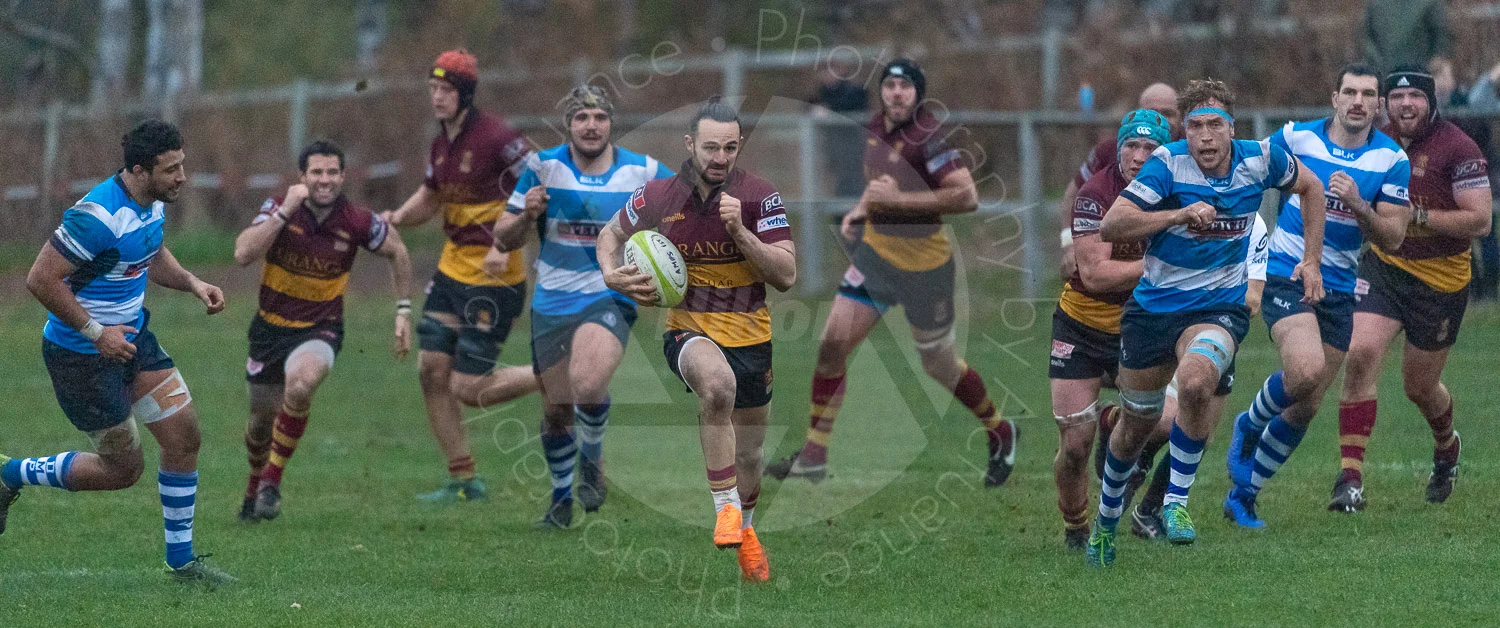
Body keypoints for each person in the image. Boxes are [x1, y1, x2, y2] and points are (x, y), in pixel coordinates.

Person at [1086, 79, 1327, 567]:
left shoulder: (1261, 158)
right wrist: (1174, 217)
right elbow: (1112, 224)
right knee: (1135, 427)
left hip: (1218, 307)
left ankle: (1175, 502)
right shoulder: (1166, 164)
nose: (1205, 137)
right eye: (1195, 126)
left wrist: (1313, 260)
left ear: (1231, 128)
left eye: (1215, 124)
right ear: (1185, 131)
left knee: (1197, 382)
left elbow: (1312, 186)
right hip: (1153, 310)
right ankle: (1106, 522)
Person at [0, 120, 236, 585]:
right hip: (80, 357)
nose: (182, 177)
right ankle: (10, 472)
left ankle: (182, 563)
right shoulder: (97, 218)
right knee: (122, 470)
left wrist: (192, 282)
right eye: (172, 169)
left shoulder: (149, 203)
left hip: (132, 339)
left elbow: (149, 251)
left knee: (184, 436)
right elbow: (39, 279)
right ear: (137, 169)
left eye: (182, 165)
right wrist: (95, 332)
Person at [765, 59, 1015, 486]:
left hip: (926, 268)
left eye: (905, 86)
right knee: (831, 345)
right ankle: (813, 455)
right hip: (876, 257)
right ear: (880, 92)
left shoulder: (930, 137)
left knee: (938, 364)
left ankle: (1000, 429)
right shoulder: (876, 126)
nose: (896, 93)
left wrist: (899, 200)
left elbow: (966, 197)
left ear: (918, 93)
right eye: (890, 85)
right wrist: (862, 210)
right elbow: (880, 183)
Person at [597, 100, 795, 583]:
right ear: (690, 145)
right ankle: (724, 508)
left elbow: (787, 274)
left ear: (738, 146)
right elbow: (609, 234)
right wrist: (611, 275)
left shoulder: (759, 196)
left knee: (750, 455)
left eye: (729, 147)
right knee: (717, 387)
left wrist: (741, 233)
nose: (719, 156)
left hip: (752, 334)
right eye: (710, 146)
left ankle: (746, 531)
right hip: (690, 330)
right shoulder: (659, 196)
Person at [1220, 63, 1412, 528]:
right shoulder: (1297, 139)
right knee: (1303, 372)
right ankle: (1248, 423)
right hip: (1288, 270)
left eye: (1368, 94)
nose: (1358, 102)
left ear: (1378, 104)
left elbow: (1394, 238)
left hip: (1341, 287)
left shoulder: (1391, 160)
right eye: (1350, 92)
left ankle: (1243, 496)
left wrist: (1360, 205)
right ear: (1334, 98)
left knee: (1306, 404)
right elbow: (1246, 173)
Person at [488, 86, 672, 528]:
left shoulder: (644, 171)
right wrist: (526, 215)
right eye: (582, 118)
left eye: (600, 117)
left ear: (611, 123)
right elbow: (502, 237)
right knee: (556, 408)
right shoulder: (543, 167)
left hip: (610, 295)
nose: (591, 125)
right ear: (568, 125)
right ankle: (559, 501)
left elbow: (682, 214)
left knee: (587, 385)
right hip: (552, 298)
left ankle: (591, 458)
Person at [1332, 66, 1492, 511]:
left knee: (1419, 387)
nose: (1406, 105)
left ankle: (1446, 447)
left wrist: (1412, 216)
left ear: (1431, 101)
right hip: (1386, 267)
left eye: (1415, 98)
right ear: (1386, 103)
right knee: (1360, 352)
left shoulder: (1458, 148)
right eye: (1397, 97)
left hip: (1441, 280)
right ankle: (1350, 479)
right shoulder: (1374, 140)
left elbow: (1480, 220)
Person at [384, 49, 540, 503]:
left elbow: (535, 186)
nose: (437, 98)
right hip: (452, 271)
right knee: (432, 371)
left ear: (466, 94)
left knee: (468, 388)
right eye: (432, 89)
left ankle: (552, 373)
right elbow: (431, 196)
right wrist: (396, 217)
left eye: (446, 90)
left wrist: (501, 245)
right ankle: (463, 478)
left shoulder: (497, 138)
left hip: (495, 275)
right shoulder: (441, 141)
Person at [233, 140, 414, 522]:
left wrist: (403, 311)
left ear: (343, 176)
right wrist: (284, 212)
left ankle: (272, 482)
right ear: (302, 177)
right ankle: (254, 486)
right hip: (268, 330)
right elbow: (243, 254)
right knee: (259, 426)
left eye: (333, 172)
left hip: (321, 329)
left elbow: (398, 251)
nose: (325, 180)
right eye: (316, 172)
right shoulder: (279, 208)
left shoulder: (357, 220)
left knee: (300, 385)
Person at [1049, 109, 1169, 550]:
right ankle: (1077, 527)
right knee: (1075, 443)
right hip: (1081, 324)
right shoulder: (1095, 193)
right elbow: (1096, 275)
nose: (1139, 156)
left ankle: (1114, 423)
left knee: (1162, 423)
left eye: (1150, 148)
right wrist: (1160, 265)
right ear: (1118, 148)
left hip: (1140, 327)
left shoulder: (1176, 190)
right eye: (1131, 146)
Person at [1060, 83, 1183, 278]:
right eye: (1151, 112)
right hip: (1121, 262)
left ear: (1182, 116)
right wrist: (1068, 242)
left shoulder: (1192, 153)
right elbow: (1074, 192)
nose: (1159, 119)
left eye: (1168, 113)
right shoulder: (1110, 150)